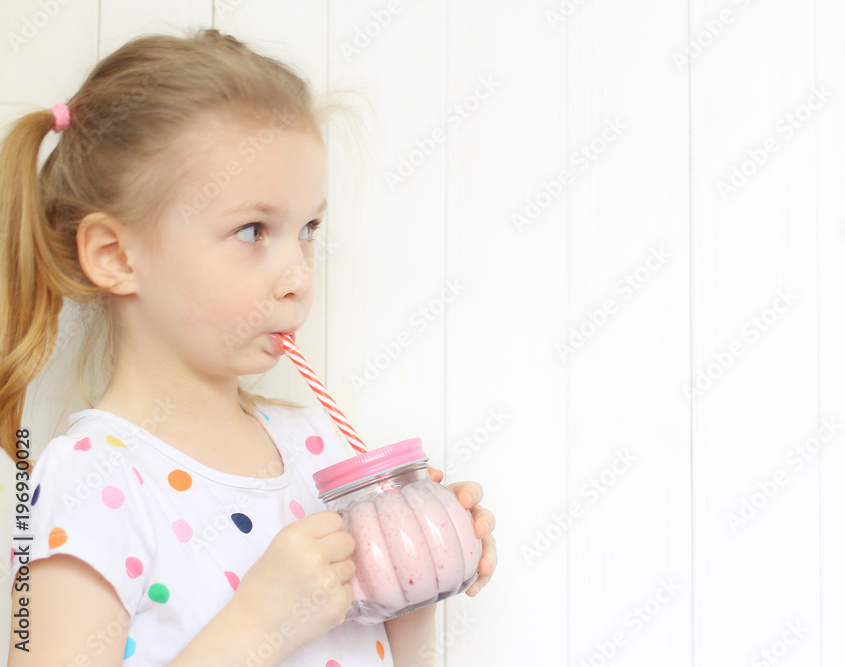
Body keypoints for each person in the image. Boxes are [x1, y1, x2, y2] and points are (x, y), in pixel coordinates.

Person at [0, 28, 496, 667]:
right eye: (252, 230)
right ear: (116, 256)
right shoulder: (95, 481)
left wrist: (417, 574)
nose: (298, 277)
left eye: (308, 228)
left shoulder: (317, 446)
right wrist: (261, 624)